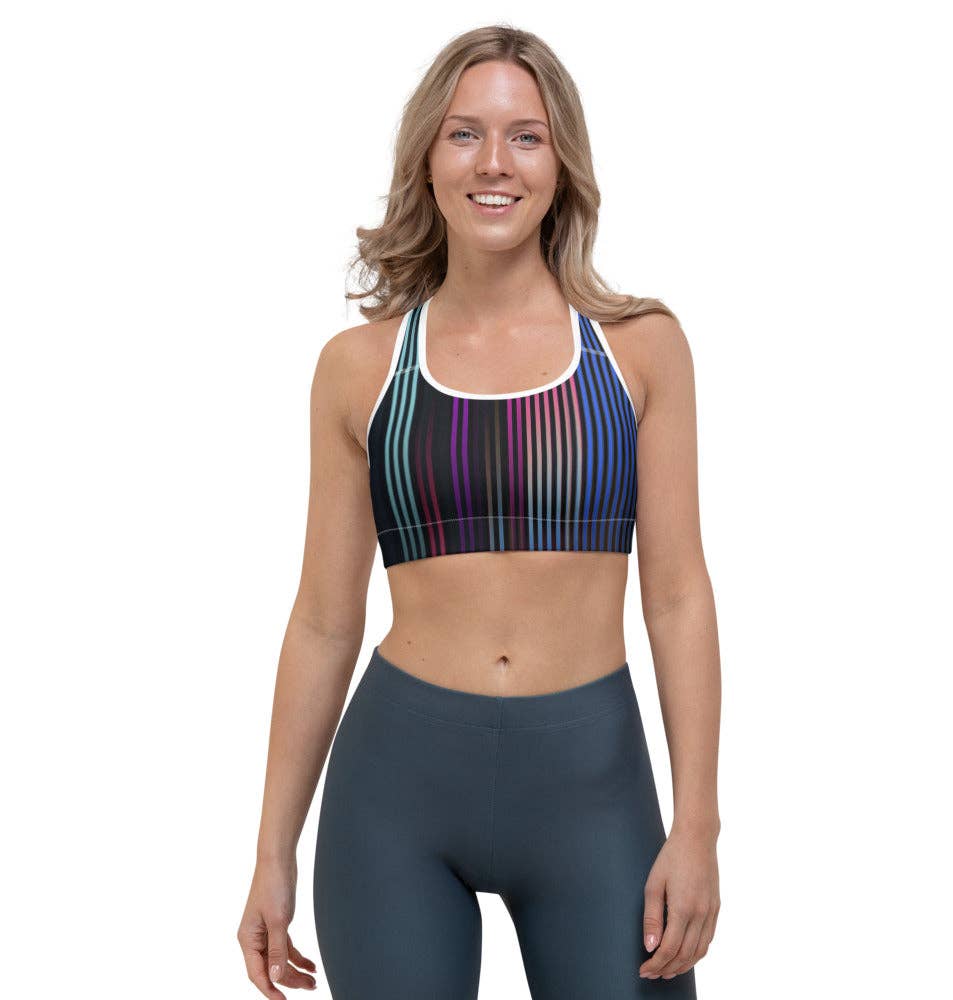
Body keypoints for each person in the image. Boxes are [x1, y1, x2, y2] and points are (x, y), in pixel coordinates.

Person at [237, 24, 721, 1000]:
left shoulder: (636, 349)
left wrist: (698, 826)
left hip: (592, 788)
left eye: (525, 136)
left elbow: (676, 598)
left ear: (561, 162)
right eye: (465, 133)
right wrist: (270, 851)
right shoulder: (361, 369)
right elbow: (324, 620)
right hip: (396, 795)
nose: (494, 162)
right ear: (427, 157)